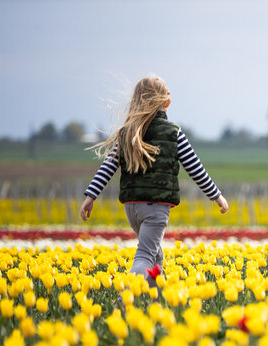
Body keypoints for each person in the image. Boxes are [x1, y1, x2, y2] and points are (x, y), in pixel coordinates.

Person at [80, 75, 229, 289]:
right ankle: (125, 299)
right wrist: (217, 195)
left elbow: (108, 167)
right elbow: (196, 169)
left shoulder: (127, 132)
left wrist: (90, 196)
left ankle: (156, 302)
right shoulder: (173, 133)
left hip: (132, 207)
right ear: (166, 102)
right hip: (156, 208)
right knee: (144, 256)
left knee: (155, 256)